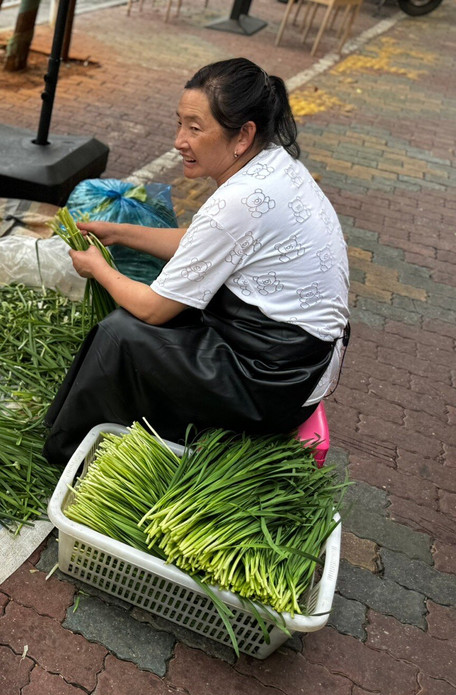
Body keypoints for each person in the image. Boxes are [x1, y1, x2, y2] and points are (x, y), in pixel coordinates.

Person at [43, 58, 350, 464]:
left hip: (272, 381)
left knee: (122, 335)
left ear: (243, 135)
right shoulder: (273, 163)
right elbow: (202, 244)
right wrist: (119, 233)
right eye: (179, 124)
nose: (179, 141)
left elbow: (153, 309)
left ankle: (68, 455)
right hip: (297, 359)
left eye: (195, 128)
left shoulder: (240, 201)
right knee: (162, 320)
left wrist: (98, 268)